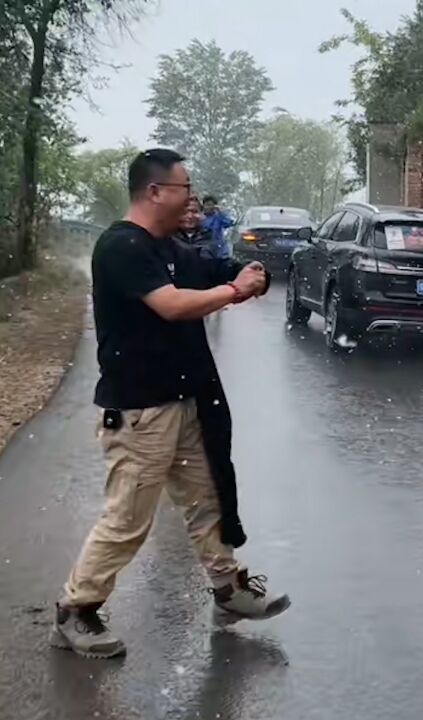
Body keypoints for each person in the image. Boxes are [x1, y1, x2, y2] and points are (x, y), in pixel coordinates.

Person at [51, 148, 289, 660]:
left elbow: (205, 268)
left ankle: (229, 592)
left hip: (183, 402)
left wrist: (246, 272)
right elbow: (172, 305)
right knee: (128, 519)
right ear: (155, 191)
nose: (191, 199)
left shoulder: (166, 246)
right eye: (183, 188)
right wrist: (233, 289)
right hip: (140, 412)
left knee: (207, 501)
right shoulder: (121, 247)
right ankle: (76, 609)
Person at [201, 194, 235, 259]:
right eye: (207, 205)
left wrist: (220, 212)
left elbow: (229, 223)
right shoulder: (200, 218)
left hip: (219, 251)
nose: (208, 207)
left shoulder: (218, 217)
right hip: (205, 251)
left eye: (211, 205)